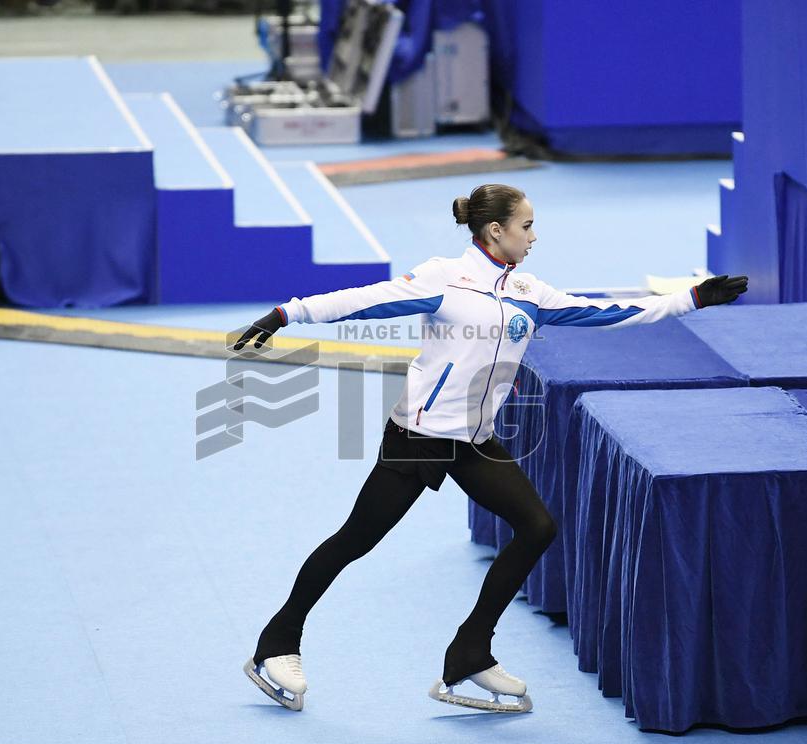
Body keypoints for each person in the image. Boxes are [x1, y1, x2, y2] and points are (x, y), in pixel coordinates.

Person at [235, 183, 748, 713]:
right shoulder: (444, 279)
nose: (533, 236)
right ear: (495, 230)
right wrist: (285, 314)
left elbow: (607, 311)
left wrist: (690, 299)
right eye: (526, 226)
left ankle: (470, 651)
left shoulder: (529, 291)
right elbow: (363, 299)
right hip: (421, 437)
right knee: (355, 540)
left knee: (538, 527)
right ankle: (277, 643)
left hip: (475, 440)